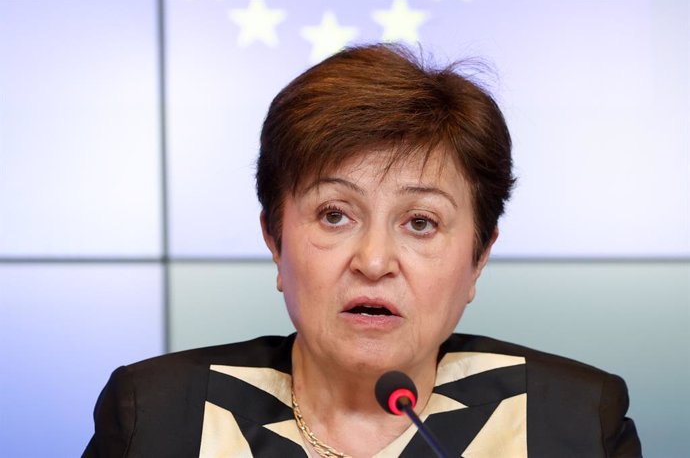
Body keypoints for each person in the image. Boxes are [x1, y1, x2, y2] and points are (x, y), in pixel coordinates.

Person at [83, 43, 641, 457]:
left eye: (421, 222)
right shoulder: (155, 417)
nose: (374, 262)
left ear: (479, 257)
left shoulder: (570, 422)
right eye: (335, 215)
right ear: (275, 241)